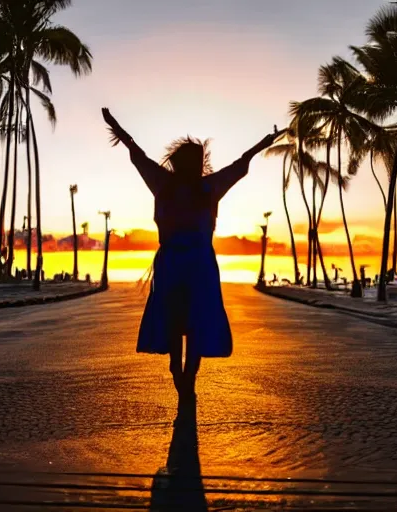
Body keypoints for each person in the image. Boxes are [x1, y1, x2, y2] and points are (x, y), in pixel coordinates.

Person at [102, 108, 283, 400]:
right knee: (189, 319)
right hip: (191, 262)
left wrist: (264, 143)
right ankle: (182, 373)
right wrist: (117, 128)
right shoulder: (197, 186)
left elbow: (138, 153)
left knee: (186, 318)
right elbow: (240, 164)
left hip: (183, 261)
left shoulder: (185, 185)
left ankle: (184, 375)